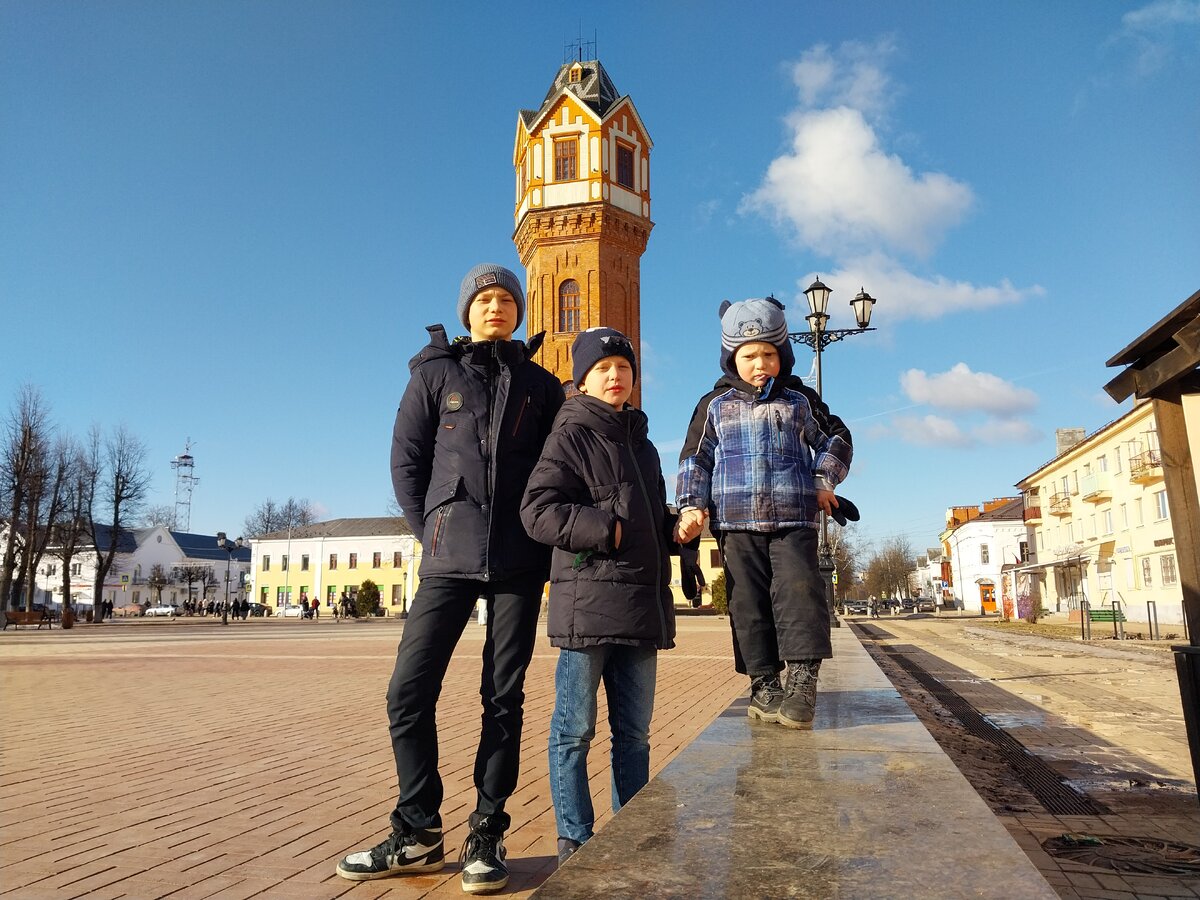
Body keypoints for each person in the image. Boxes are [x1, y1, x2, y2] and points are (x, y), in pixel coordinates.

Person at [336, 263, 564, 893]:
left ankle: (487, 830)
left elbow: (558, 467)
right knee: (407, 692)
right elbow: (406, 462)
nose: (495, 307)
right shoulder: (435, 375)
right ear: (467, 310)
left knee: (503, 698)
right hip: (447, 557)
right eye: (484, 299)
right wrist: (432, 529)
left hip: (519, 561)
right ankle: (418, 829)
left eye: (506, 298)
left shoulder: (541, 385)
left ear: (518, 310)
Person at [520, 327, 678, 868]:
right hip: (587, 608)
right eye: (603, 368)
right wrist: (605, 529)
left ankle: (630, 832)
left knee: (634, 735)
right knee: (574, 730)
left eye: (624, 367)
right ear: (582, 380)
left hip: (641, 609)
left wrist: (675, 530)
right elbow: (537, 511)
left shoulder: (644, 445)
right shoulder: (569, 435)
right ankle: (575, 837)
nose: (615, 376)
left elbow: (647, 520)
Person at [676, 297, 853, 730]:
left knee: (800, 594)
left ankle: (803, 682)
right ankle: (764, 684)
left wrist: (823, 479)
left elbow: (836, 439)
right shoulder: (713, 405)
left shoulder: (799, 400)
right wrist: (691, 506)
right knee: (748, 604)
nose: (760, 365)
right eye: (749, 356)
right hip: (735, 523)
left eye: (769, 355)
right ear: (731, 359)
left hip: (793, 519)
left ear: (782, 355)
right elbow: (695, 459)